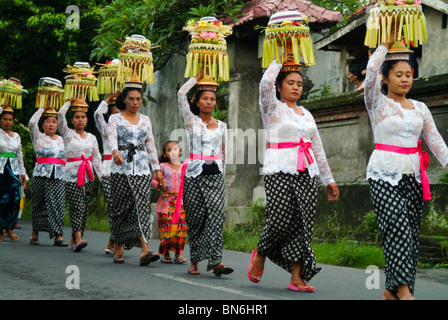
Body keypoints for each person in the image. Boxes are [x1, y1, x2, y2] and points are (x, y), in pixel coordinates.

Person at [364, 41, 448, 300]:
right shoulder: (376, 102)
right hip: (382, 174)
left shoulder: (420, 107)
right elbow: (369, 74)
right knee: (397, 228)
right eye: (398, 75)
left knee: (410, 237)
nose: (404, 79)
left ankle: (391, 291)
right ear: (385, 78)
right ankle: (403, 291)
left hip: (413, 177)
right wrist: (383, 46)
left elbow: (434, 139)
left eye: (408, 74)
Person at [248, 57, 339, 292]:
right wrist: (283, 56)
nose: (296, 87)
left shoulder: (306, 115)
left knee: (303, 225)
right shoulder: (272, 108)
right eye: (290, 83)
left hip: (307, 173)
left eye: (299, 83)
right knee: (278, 220)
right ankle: (261, 252)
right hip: (279, 169)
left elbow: (317, 147)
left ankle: (296, 278)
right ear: (280, 86)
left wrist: (329, 180)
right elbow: (265, 82)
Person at [177, 70, 232, 277]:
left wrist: (222, 176)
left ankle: (216, 261)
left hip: (215, 176)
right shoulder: (191, 122)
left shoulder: (222, 126)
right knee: (196, 218)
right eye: (205, 99)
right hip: (194, 176)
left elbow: (223, 153)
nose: (209, 102)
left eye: (212, 99)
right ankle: (195, 261)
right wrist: (195, 78)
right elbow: (181, 95)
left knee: (216, 217)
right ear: (197, 102)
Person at [107, 79, 163, 265]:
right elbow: (112, 139)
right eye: (131, 99)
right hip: (120, 168)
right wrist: (115, 151)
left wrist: (157, 170)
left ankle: (145, 248)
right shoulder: (115, 118)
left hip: (141, 168)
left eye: (138, 99)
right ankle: (117, 245)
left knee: (140, 207)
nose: (135, 102)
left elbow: (151, 145)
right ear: (124, 99)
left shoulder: (145, 120)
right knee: (121, 208)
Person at [58, 99, 102, 252]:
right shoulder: (67, 134)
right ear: (72, 120)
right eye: (77, 117)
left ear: (87, 119)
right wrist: (69, 101)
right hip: (72, 174)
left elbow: (96, 158)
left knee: (84, 208)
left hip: (88, 175)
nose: (80, 120)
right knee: (77, 206)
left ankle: (74, 237)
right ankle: (78, 237)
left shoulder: (92, 137)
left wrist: (102, 178)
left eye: (83, 117)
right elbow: (60, 114)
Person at [28, 106, 68, 246]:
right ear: (43, 124)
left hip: (58, 175)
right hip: (41, 174)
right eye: (48, 121)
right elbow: (32, 123)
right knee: (39, 203)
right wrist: (42, 108)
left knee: (58, 204)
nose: (51, 124)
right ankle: (35, 232)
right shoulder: (38, 137)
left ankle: (58, 234)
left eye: (54, 122)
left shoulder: (62, 140)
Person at [151, 140, 187, 264]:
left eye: (175, 149)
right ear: (165, 154)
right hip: (166, 203)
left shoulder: (185, 167)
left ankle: (178, 254)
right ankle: (166, 254)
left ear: (180, 151)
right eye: (169, 150)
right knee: (166, 228)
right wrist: (159, 185)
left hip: (181, 203)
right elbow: (154, 181)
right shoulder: (162, 167)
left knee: (181, 228)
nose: (173, 152)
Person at [94, 92, 120, 255]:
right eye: (114, 113)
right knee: (113, 207)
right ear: (109, 115)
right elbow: (97, 114)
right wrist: (110, 97)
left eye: (120, 113)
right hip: (108, 171)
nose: (117, 117)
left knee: (121, 207)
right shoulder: (106, 129)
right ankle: (114, 240)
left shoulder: (128, 127)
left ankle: (115, 240)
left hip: (124, 171)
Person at [0, 106, 26, 242]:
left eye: (10, 120)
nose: (7, 122)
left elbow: (19, 155)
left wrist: (23, 173)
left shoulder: (16, 136)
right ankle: (0, 229)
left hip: (14, 170)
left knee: (14, 200)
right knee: (1, 200)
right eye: (5, 119)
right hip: (1, 170)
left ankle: (9, 228)